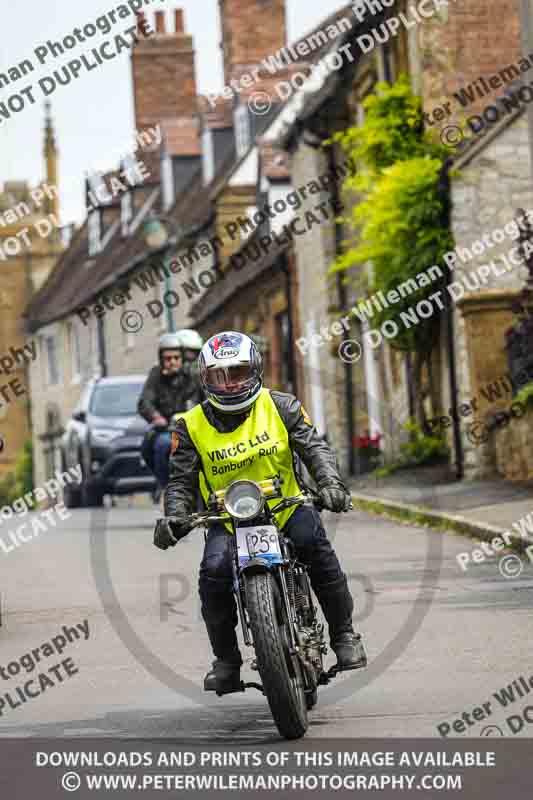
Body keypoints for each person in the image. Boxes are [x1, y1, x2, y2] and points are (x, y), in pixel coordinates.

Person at [153, 331, 367, 693]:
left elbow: (315, 447)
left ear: (255, 370)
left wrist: (331, 484)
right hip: (226, 520)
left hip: (285, 508)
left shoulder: (281, 405)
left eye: (237, 373)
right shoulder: (189, 425)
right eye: (220, 376)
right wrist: (175, 516)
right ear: (205, 379)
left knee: (313, 546)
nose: (230, 384)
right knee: (214, 573)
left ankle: (344, 635)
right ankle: (226, 661)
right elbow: (181, 482)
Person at [138, 333, 202, 489]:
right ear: (161, 360)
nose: (172, 362)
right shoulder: (156, 376)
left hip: (194, 428)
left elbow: (205, 398)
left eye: (176, 358)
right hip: (167, 429)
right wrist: (156, 416)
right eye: (167, 359)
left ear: (182, 358)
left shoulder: (193, 376)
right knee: (160, 445)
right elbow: (145, 402)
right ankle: (167, 487)